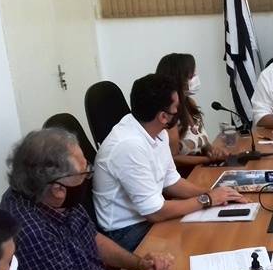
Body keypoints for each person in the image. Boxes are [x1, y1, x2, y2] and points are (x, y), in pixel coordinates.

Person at [1, 128, 174, 270]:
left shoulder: (50, 195)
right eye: (85, 171)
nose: (88, 176)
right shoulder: (30, 231)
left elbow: (92, 237)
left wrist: (140, 264)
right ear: (58, 189)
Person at [93, 73, 247, 252]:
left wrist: (215, 194)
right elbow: (155, 212)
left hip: (146, 217)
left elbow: (171, 181)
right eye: (176, 109)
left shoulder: (156, 132)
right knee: (200, 244)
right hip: (126, 231)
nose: (179, 113)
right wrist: (207, 199)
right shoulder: (128, 145)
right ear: (163, 117)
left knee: (216, 232)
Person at [156, 53, 230, 176]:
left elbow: (202, 141)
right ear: (179, 78)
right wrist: (207, 160)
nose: (196, 78)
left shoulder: (190, 103)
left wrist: (214, 152)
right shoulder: (168, 114)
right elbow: (173, 159)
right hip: (184, 175)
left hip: (201, 169)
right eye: (192, 75)